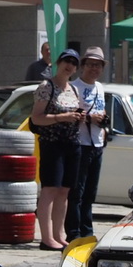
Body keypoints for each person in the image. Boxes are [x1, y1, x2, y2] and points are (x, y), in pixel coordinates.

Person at [29, 48, 84, 251]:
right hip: (52, 143)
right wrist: (62, 117)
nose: (69, 65)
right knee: (50, 189)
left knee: (64, 191)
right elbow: (36, 118)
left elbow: (73, 114)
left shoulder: (74, 89)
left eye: (73, 63)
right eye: (66, 61)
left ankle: (59, 235)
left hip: (72, 143)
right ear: (58, 63)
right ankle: (46, 238)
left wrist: (78, 117)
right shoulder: (46, 86)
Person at [65, 47, 108, 242]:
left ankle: (87, 231)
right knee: (77, 192)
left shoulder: (100, 88)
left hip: (97, 144)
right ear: (83, 66)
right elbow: (70, 114)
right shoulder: (74, 87)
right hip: (79, 144)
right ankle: (74, 233)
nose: (94, 68)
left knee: (91, 193)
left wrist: (103, 121)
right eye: (90, 64)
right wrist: (90, 118)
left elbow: (102, 111)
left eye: (98, 65)